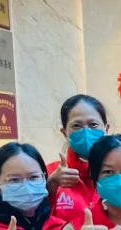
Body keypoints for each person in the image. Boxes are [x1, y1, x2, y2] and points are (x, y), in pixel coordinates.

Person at [45, 94, 111, 223]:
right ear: (64, 132)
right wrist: (50, 187)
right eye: (76, 126)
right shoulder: (50, 173)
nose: (85, 132)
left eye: (93, 124)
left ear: (106, 129)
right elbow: (35, 222)